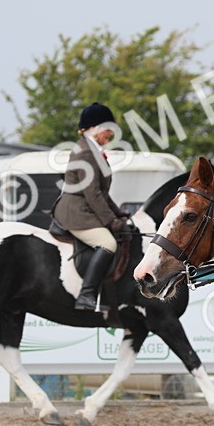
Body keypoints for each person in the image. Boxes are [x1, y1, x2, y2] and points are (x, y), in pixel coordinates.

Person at [52, 102, 127, 311]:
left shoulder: (92, 149)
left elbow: (102, 193)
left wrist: (119, 213)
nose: (111, 134)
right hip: (76, 212)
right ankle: (86, 295)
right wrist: (111, 221)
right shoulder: (85, 152)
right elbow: (92, 193)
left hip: (86, 208)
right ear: (94, 128)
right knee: (108, 244)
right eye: (108, 128)